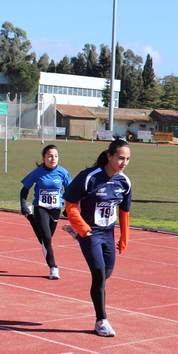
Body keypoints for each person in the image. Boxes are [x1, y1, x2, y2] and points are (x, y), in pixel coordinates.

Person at [63, 139, 132, 337]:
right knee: (99, 276)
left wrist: (124, 238)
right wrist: (83, 229)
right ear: (109, 156)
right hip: (90, 231)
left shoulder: (124, 181)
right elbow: (70, 203)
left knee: (107, 273)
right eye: (120, 158)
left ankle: (75, 232)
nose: (123, 163)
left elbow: (125, 212)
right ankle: (101, 320)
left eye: (127, 159)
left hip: (107, 232)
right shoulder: (89, 177)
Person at [19, 145, 72, 280]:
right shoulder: (37, 173)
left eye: (55, 156)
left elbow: (70, 191)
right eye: (49, 156)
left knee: (44, 239)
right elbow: (24, 189)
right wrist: (23, 204)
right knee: (47, 239)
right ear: (43, 158)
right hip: (41, 208)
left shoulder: (63, 172)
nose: (53, 158)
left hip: (55, 209)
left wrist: (68, 208)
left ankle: (30, 217)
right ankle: (53, 268)